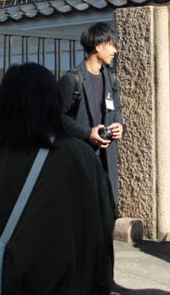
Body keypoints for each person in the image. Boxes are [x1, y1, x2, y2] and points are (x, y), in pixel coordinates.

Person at [0, 63, 115, 294]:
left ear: (4, 105)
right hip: (77, 284)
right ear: (53, 103)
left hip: (16, 284)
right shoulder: (81, 155)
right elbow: (104, 224)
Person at [58, 22, 124, 207]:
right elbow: (56, 117)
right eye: (111, 45)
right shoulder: (72, 79)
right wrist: (88, 133)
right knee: (83, 208)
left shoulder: (110, 77)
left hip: (107, 158)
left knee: (108, 207)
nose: (115, 51)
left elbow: (116, 108)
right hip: (80, 157)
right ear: (98, 46)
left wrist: (118, 124)